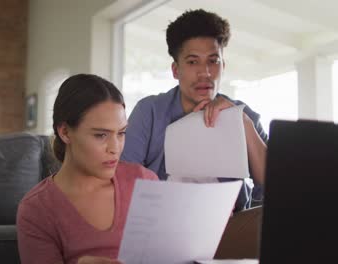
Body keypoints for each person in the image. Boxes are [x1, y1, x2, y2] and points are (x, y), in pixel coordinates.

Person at [121, 9, 268, 258]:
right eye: (193, 62)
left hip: (227, 228)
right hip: (164, 228)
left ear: (223, 65)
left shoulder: (243, 114)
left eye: (213, 60)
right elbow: (122, 181)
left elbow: (277, 185)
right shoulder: (151, 111)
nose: (205, 73)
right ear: (176, 70)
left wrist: (242, 122)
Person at [16, 74, 158, 264]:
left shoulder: (144, 182)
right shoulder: (37, 208)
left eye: (121, 133)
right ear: (65, 132)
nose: (115, 148)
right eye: (101, 135)